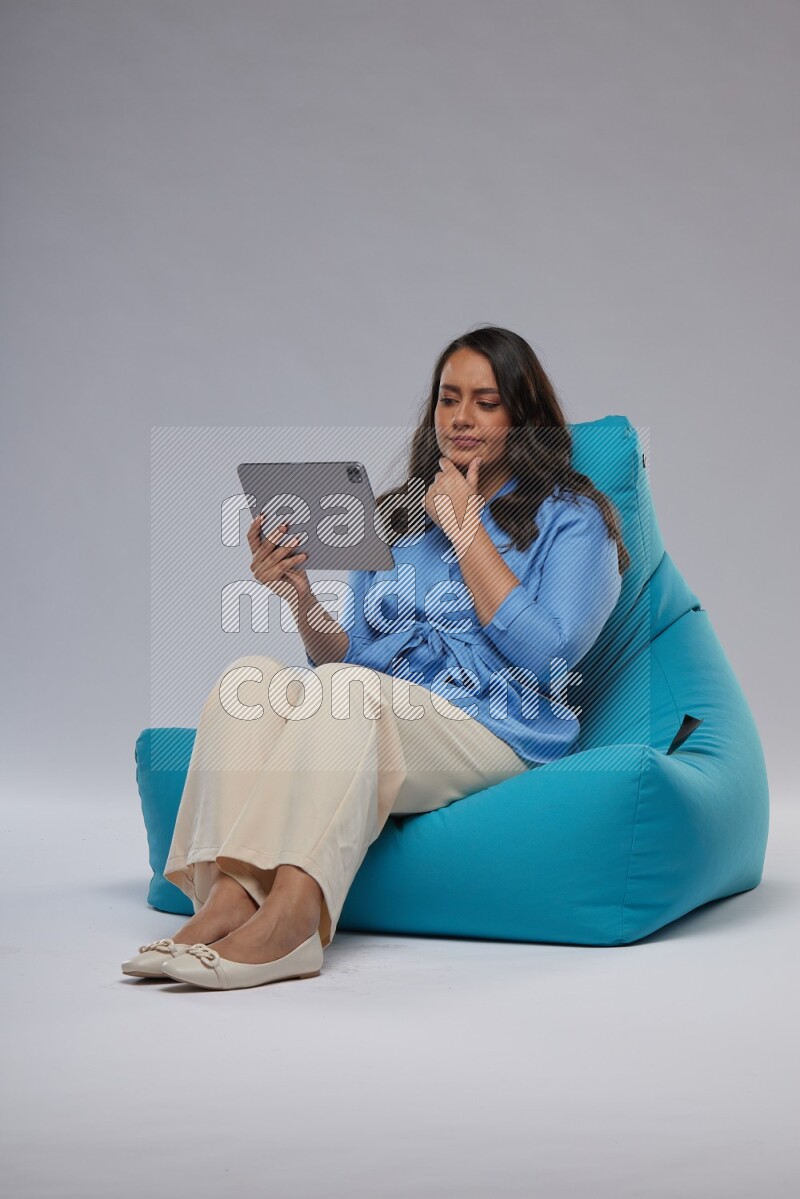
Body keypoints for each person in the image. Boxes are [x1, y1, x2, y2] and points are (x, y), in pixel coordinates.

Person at [122, 325, 630, 990]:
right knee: (246, 678)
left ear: (524, 416)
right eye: (450, 399)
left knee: (348, 694)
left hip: (499, 726)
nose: (461, 418)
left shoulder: (575, 518)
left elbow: (552, 654)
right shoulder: (399, 516)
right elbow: (351, 658)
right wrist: (300, 596)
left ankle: (292, 924)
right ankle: (223, 901)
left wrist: (468, 528)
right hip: (382, 713)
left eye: (486, 400)